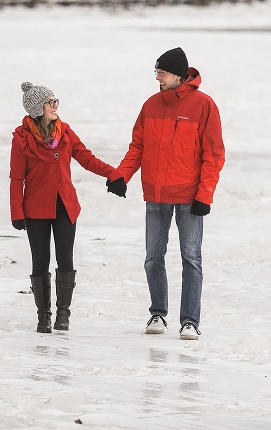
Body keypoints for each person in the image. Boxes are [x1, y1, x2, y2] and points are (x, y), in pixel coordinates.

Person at [107, 47, 225, 340]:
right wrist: (122, 175)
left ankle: (190, 321)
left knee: (191, 258)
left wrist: (205, 195)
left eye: (161, 73)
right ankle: (157, 314)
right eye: (156, 72)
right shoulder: (150, 106)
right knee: (153, 258)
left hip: (190, 197)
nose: (157, 78)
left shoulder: (204, 106)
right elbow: (138, 147)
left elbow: (214, 155)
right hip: (156, 194)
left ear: (178, 75)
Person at [10, 81, 126, 333]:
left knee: (65, 259)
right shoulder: (22, 138)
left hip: (64, 206)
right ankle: (44, 316)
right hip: (36, 209)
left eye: (56, 101)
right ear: (37, 108)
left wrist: (114, 174)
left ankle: (63, 314)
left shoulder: (65, 132)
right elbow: (16, 178)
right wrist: (16, 212)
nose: (56, 106)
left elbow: (87, 158)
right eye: (50, 102)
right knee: (40, 263)